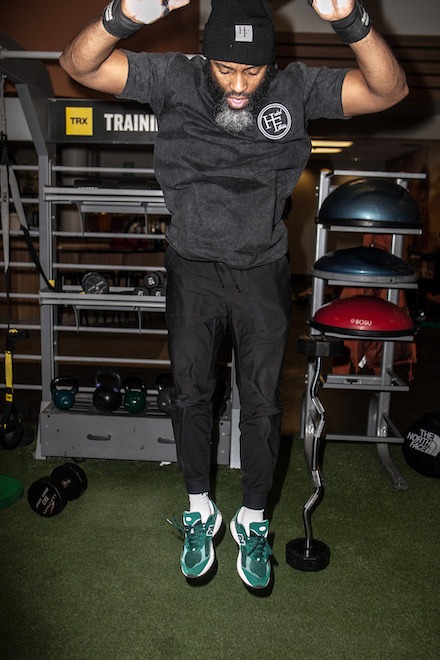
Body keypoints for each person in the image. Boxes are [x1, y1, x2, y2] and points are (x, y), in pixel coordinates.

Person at [60, 0, 408, 589]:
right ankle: (201, 511)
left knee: (264, 401)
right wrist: (125, 13)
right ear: (207, 58)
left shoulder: (297, 87)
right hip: (190, 265)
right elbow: (80, 65)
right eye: (226, 70)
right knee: (191, 394)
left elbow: (388, 91)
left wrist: (351, 20)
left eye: (253, 72)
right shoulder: (172, 76)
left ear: (272, 65)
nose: (240, 85)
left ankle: (252, 520)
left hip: (262, 268)